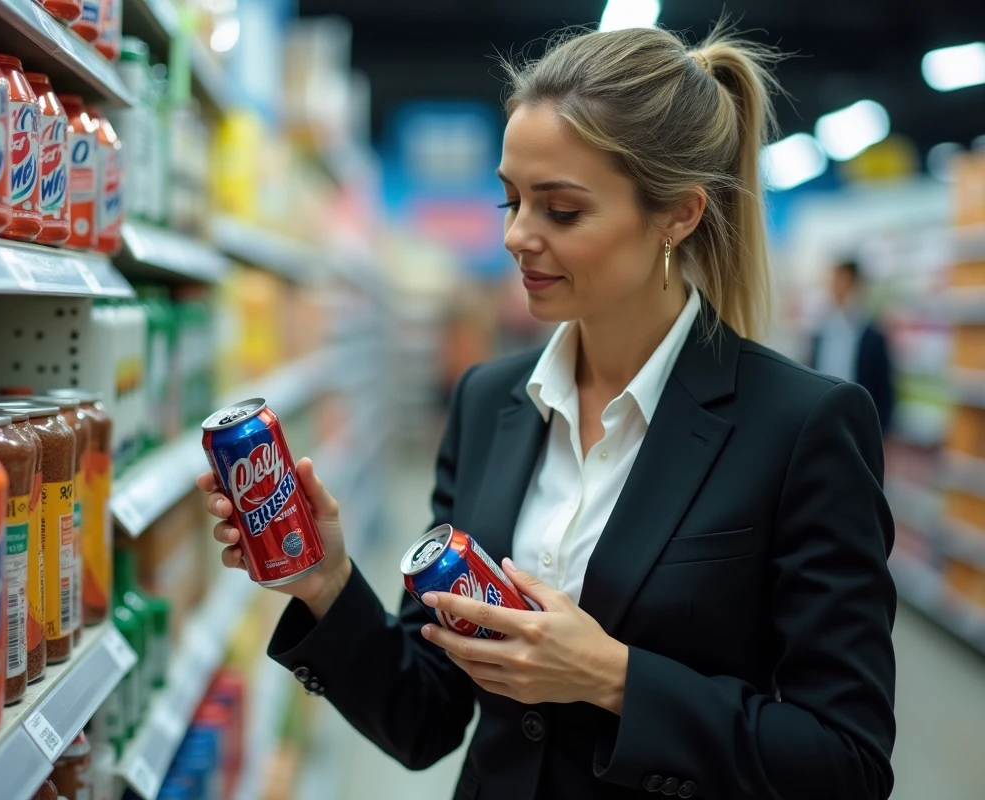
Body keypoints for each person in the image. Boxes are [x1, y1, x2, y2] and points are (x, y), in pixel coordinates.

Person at [199, 25, 896, 800]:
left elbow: (847, 764)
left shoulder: (802, 427)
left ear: (678, 216)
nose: (515, 236)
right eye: (511, 198)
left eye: (560, 211)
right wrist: (326, 583)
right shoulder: (490, 402)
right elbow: (425, 716)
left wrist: (616, 679)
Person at [810, 259, 896, 432]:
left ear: (854, 283)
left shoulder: (872, 336)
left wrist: (879, 433)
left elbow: (885, 390)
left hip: (859, 426)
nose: (834, 286)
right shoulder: (822, 331)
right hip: (823, 421)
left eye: (841, 279)